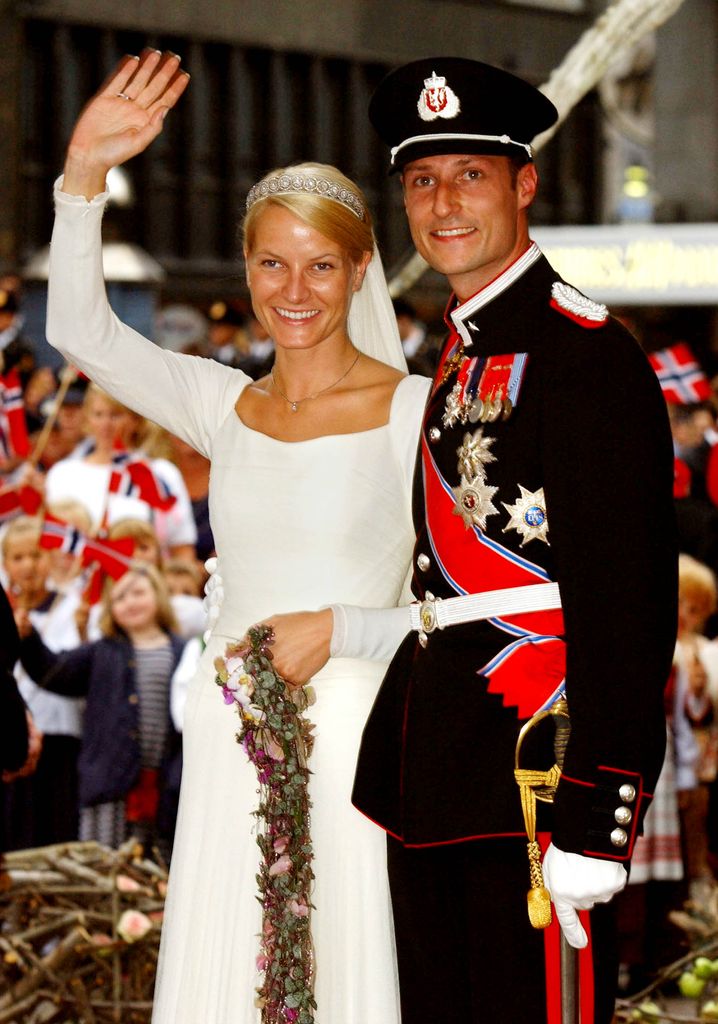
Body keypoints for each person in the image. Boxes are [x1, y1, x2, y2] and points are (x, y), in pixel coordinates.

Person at [44, 49, 429, 1024]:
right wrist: (83, 178)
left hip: (354, 746)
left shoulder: (417, 410)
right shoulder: (223, 405)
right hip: (226, 744)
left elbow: (492, 603)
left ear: (358, 271)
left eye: (320, 264)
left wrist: (344, 627)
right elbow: (81, 334)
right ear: (245, 265)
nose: (293, 288)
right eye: (271, 261)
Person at [348, 58, 677, 1023]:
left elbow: (628, 604)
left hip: (537, 782)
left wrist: (598, 816)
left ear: (524, 183)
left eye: (470, 176)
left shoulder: (586, 353)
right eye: (421, 180)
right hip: (440, 777)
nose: (444, 202)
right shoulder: (457, 345)